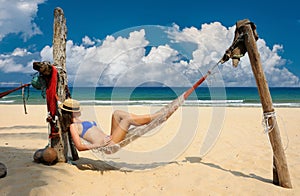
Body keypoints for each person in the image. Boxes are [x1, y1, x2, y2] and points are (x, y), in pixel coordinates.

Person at [59, 98, 161, 151]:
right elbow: (79, 147)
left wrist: (58, 100)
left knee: (117, 113)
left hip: (110, 138)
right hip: (109, 146)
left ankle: (147, 118)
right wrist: (99, 145)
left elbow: (59, 102)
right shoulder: (73, 126)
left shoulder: (79, 120)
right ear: (72, 111)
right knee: (127, 120)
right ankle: (155, 116)